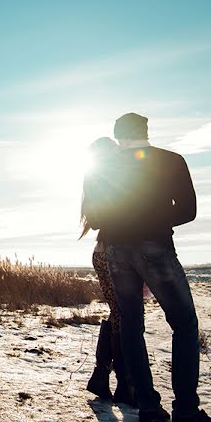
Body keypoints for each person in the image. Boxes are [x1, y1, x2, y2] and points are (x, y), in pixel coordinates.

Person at [100, 112, 211, 422]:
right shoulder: (170, 160)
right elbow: (188, 210)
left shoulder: (104, 167)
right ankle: (186, 412)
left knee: (131, 325)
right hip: (154, 247)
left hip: (116, 251)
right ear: (145, 131)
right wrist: (153, 220)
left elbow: (95, 212)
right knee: (184, 323)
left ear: (118, 136)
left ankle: (147, 406)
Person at [80, 137, 135, 405]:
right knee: (124, 318)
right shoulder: (104, 181)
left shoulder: (98, 181)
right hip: (110, 255)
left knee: (119, 316)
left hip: (109, 254)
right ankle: (124, 384)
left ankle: (102, 376)